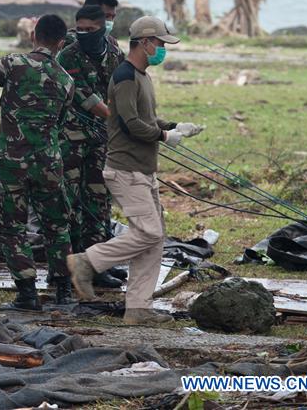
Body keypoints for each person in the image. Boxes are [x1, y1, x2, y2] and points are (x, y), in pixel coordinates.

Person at [67, 16, 204, 326]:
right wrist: (166, 137)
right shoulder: (126, 76)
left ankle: (138, 309)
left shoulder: (142, 76)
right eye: (159, 44)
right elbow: (130, 125)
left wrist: (172, 126)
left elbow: (145, 119)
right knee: (150, 232)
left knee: (154, 239)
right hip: (126, 170)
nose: (162, 50)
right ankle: (86, 262)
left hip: (144, 169)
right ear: (145, 42)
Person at [0, 14, 77, 308]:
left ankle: (27, 292)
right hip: (50, 163)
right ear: (61, 43)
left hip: (12, 163)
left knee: (11, 227)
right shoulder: (66, 81)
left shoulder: (12, 64)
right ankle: (63, 290)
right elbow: (61, 122)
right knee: (57, 226)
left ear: (33, 36)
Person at [57, 4, 127, 289]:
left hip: (100, 142)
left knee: (99, 202)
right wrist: (119, 120)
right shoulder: (67, 56)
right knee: (70, 204)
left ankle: (98, 266)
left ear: (103, 27)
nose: (84, 34)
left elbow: (120, 89)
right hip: (71, 141)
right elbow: (84, 97)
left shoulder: (114, 54)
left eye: (91, 30)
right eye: (80, 29)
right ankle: (68, 268)